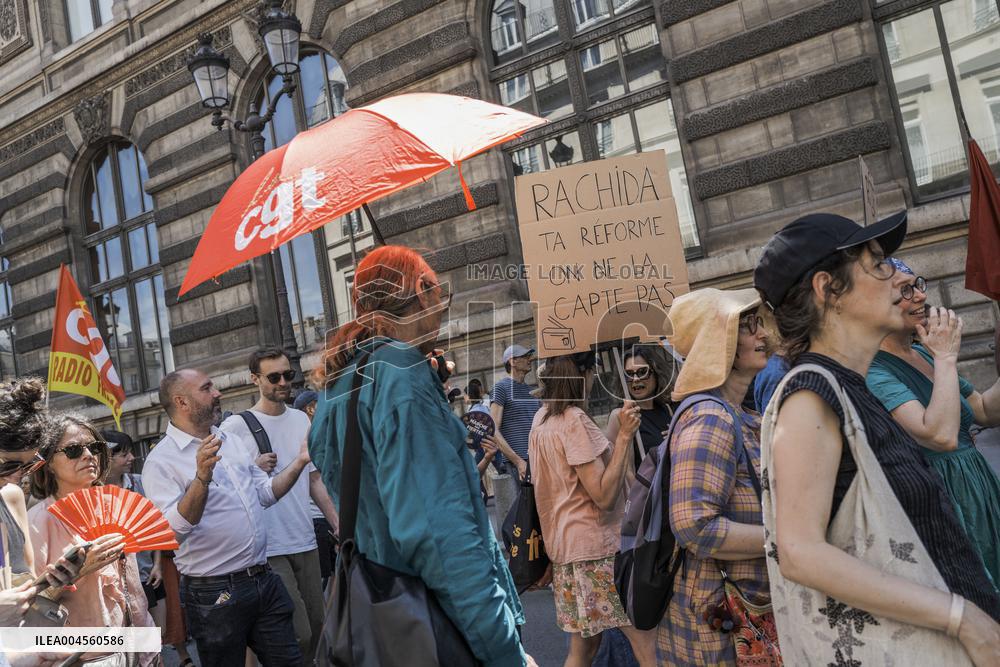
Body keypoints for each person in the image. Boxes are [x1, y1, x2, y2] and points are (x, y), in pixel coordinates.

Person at [755, 211, 1000, 665]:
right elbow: (800, 551)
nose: (897, 281)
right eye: (878, 265)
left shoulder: (849, 384)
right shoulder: (811, 395)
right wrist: (960, 617)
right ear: (828, 289)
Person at [310, 245, 533, 667]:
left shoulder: (339, 382)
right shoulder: (401, 376)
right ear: (421, 290)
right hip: (439, 624)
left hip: (388, 619)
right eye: (440, 294)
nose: (442, 309)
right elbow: (443, 540)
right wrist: (506, 653)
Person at [143, 368, 314, 667]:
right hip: (214, 593)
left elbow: (264, 493)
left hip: (263, 578)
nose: (217, 393)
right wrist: (201, 478)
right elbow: (171, 533)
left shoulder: (229, 440)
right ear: (182, 402)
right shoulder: (160, 461)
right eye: (207, 388)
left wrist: (300, 461)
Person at [655, 288, 772, 666]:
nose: (762, 333)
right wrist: (784, 540)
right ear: (720, 340)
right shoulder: (711, 418)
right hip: (721, 628)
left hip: (744, 614)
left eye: (758, 322)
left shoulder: (739, 414)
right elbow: (694, 526)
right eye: (748, 326)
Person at [866, 258, 1000, 588]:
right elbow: (939, 436)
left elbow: (985, 410)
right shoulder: (874, 370)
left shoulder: (923, 353)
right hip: (944, 498)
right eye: (905, 290)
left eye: (918, 284)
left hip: (977, 484)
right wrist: (945, 357)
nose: (921, 296)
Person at [528, 352, 655, 666]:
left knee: (583, 648)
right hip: (597, 551)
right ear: (582, 374)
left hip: (567, 550)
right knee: (644, 640)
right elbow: (603, 495)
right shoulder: (574, 420)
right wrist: (624, 436)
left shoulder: (541, 418)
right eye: (593, 371)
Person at [220, 349, 340, 663]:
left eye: (289, 375)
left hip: (305, 538)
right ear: (255, 379)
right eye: (274, 377)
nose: (284, 382)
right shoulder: (236, 427)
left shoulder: (301, 419)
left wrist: (337, 523)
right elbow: (222, 484)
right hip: (268, 546)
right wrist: (253, 467)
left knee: (319, 626)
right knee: (298, 632)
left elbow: (314, 479)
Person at [27, 414, 157, 667]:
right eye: (74, 450)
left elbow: (133, 589)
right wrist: (78, 572)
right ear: (49, 463)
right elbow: (28, 604)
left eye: (95, 447)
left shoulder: (114, 505)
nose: (88, 455)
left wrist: (148, 649)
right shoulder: (38, 521)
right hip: (82, 656)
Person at [291, 389, 339, 592]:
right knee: (325, 580)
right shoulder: (310, 435)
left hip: (325, 516)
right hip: (318, 519)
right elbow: (317, 477)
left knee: (334, 576)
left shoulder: (318, 432)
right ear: (310, 409)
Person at [604, 344, 676, 470]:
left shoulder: (667, 409)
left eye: (643, 372)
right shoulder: (621, 415)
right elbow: (623, 472)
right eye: (629, 374)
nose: (635, 379)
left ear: (656, 373)